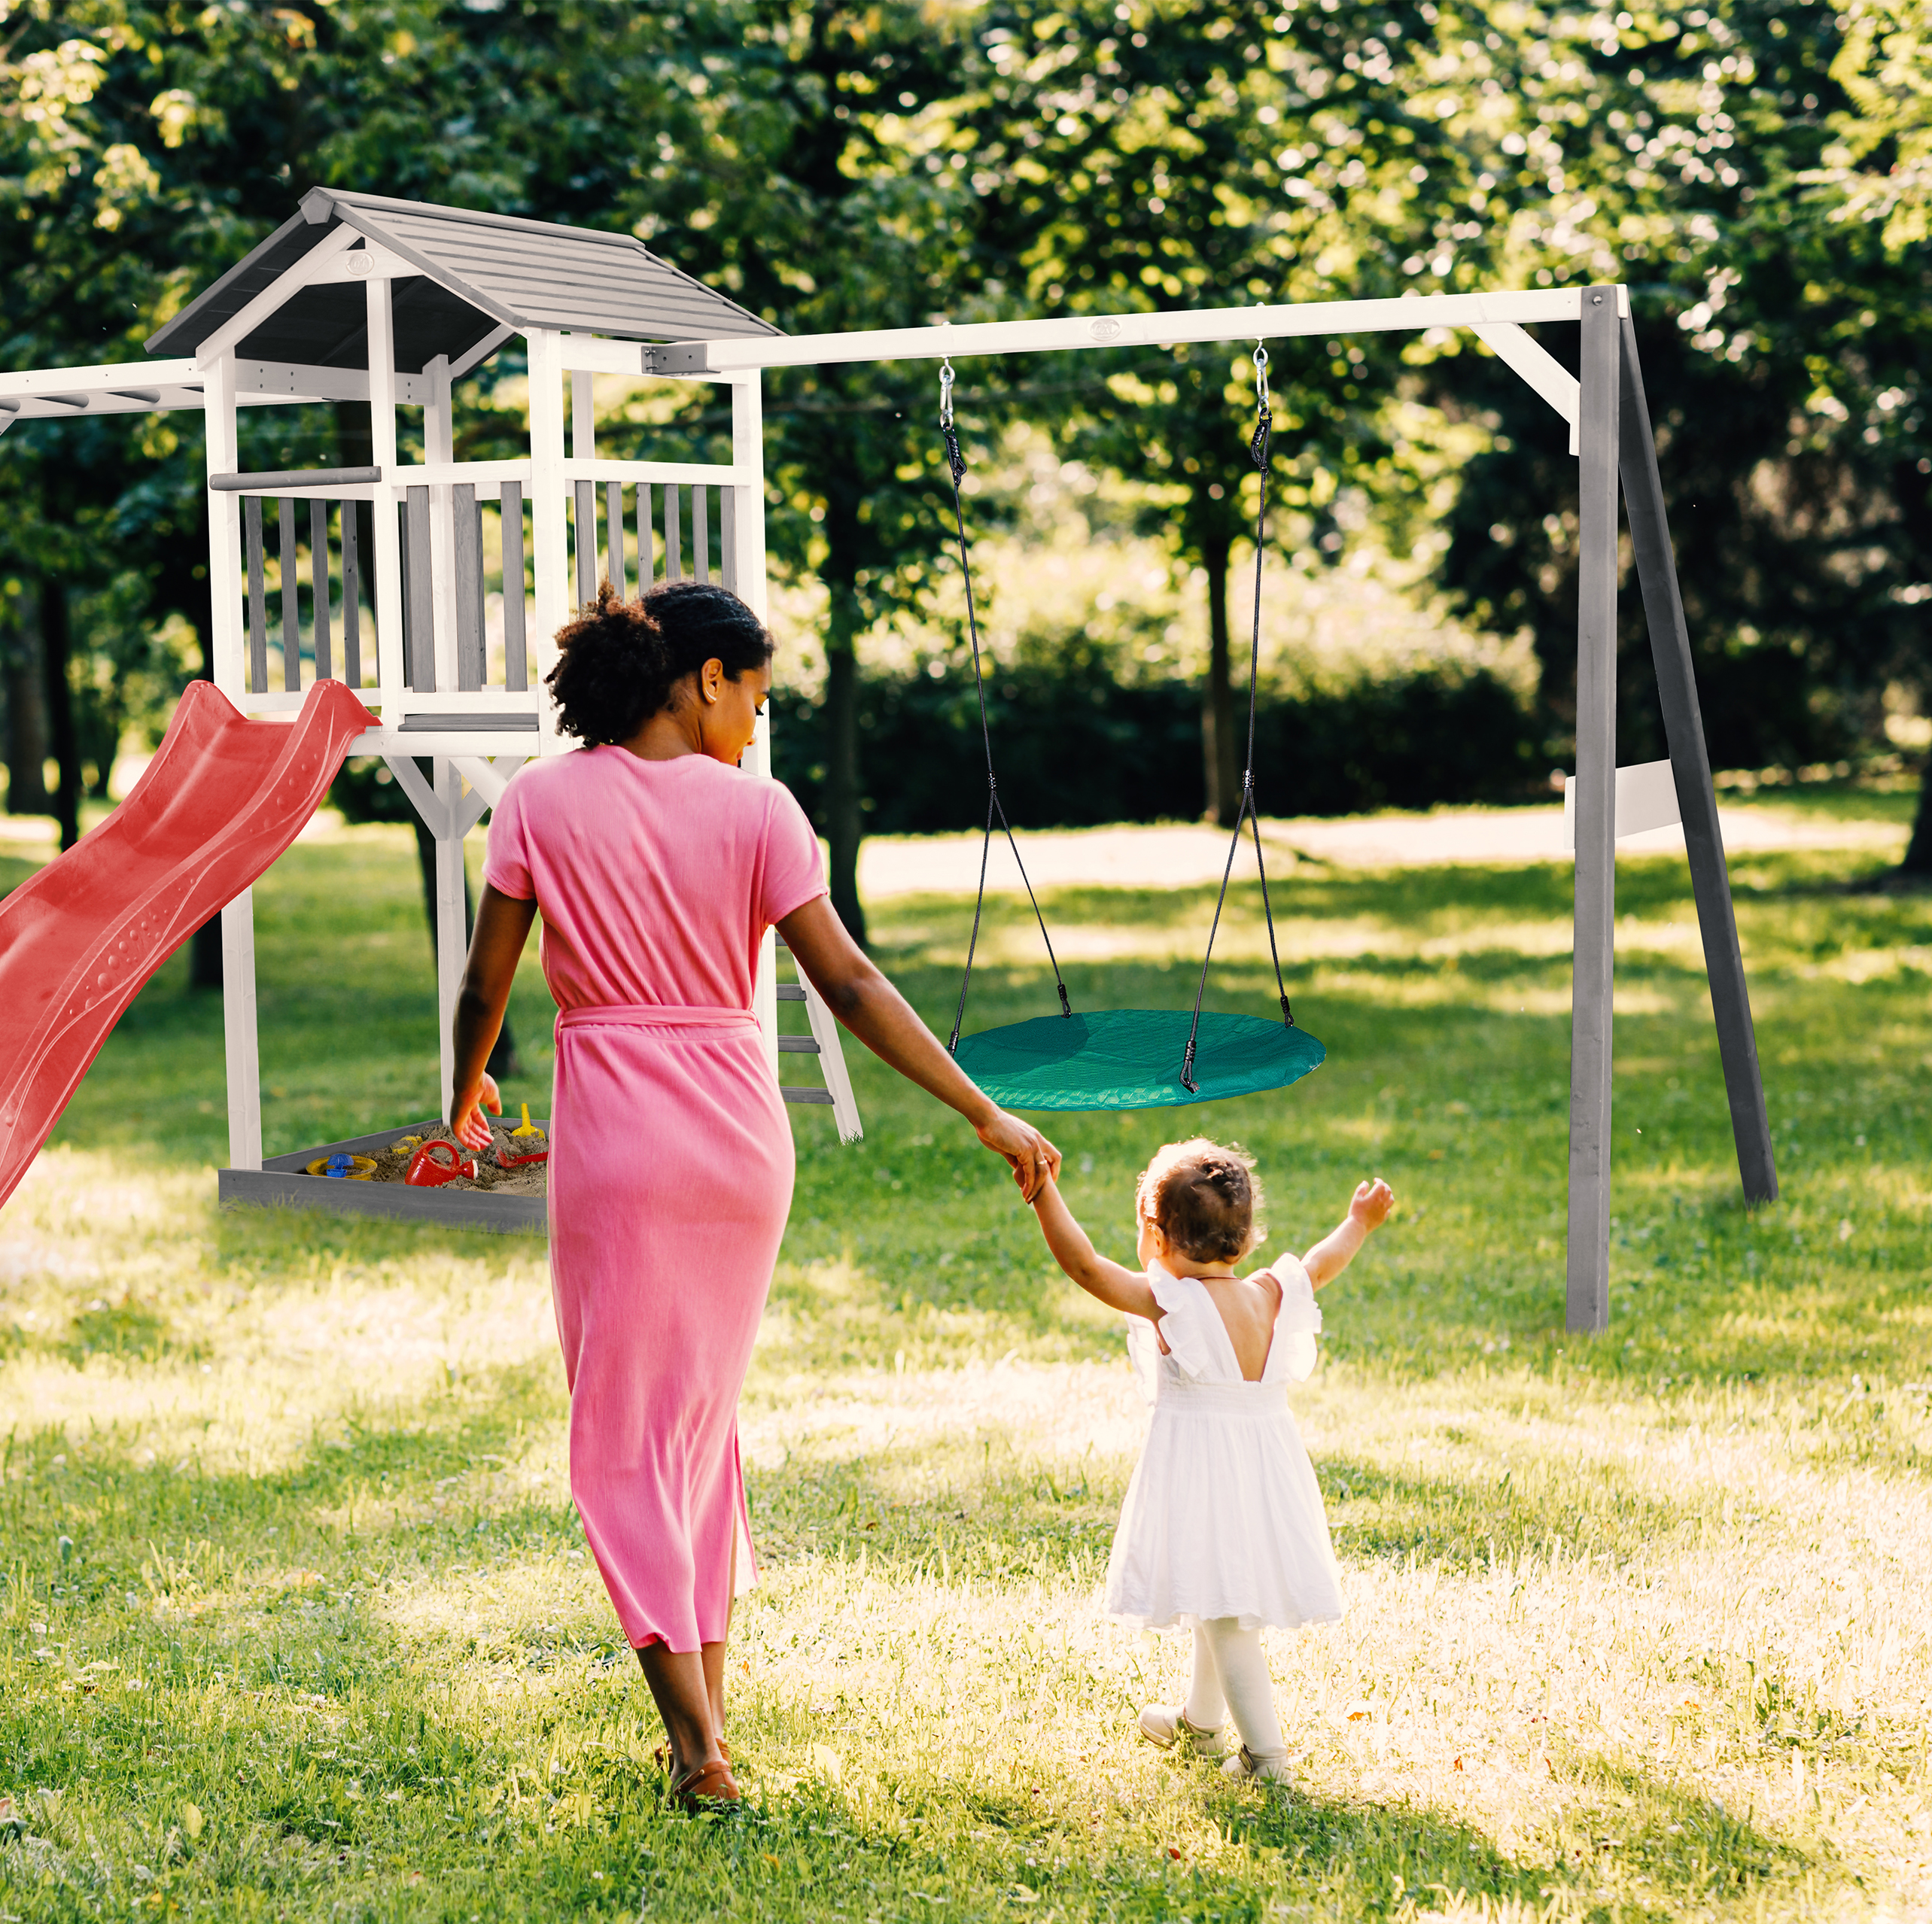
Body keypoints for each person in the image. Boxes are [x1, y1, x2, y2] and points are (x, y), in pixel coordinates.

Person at [448, 581, 1061, 1811]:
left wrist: (461, 1096)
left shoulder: (537, 803)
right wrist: (980, 1108)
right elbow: (851, 984)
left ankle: (697, 1751)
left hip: (620, 1142)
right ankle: (708, 1728)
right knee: (696, 1430)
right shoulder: (761, 812)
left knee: (624, 1442)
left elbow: (485, 985)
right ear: (706, 679)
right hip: (739, 1142)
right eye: (757, 700)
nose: (756, 725)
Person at [1024, 1139, 1395, 1784]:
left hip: (1205, 1477)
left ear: (1156, 1236)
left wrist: (1043, 1191)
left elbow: (1084, 1265)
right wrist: (1358, 1223)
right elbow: (1321, 1262)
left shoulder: (1172, 1303)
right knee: (1213, 1592)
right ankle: (1200, 1723)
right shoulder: (1270, 1293)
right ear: (1244, 1240)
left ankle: (1266, 1758)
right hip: (1264, 1475)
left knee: (1226, 1618)